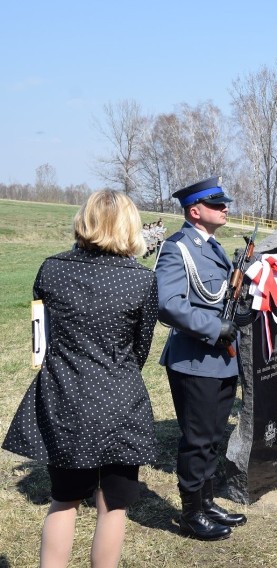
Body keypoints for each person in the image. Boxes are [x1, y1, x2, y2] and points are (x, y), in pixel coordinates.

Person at [3, 190, 158, 565]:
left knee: (64, 499)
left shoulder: (50, 269)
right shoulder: (141, 281)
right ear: (129, 225)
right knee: (114, 505)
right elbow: (140, 350)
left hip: (65, 397)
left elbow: (41, 340)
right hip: (119, 400)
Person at [156, 176, 246, 541]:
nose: (225, 208)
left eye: (224, 203)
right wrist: (215, 327)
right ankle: (192, 513)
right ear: (195, 211)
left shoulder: (213, 247)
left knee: (212, 437)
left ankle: (207, 502)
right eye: (216, 204)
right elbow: (167, 305)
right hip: (195, 359)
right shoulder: (178, 248)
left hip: (222, 358)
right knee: (196, 439)